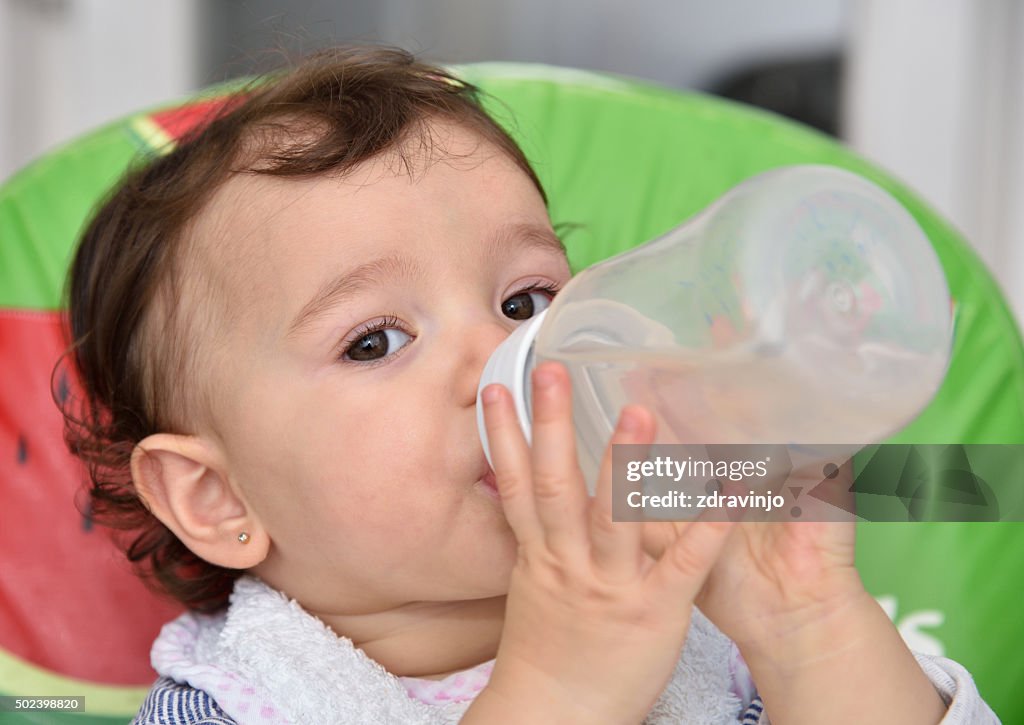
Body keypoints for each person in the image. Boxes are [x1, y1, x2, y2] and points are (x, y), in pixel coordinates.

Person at [62, 46, 997, 724]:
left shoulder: (715, 643)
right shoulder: (241, 703)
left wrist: (807, 630)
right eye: (376, 340)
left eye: (524, 299)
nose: (499, 358)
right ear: (219, 495)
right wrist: (564, 692)